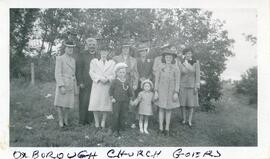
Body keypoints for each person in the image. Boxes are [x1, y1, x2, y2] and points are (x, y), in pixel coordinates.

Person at [154, 48, 180, 136]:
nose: (168, 59)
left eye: (170, 57)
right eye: (167, 57)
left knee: (169, 109)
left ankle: (167, 128)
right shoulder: (160, 67)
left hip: (171, 92)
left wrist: (176, 92)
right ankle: (161, 127)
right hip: (161, 91)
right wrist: (156, 91)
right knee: (161, 109)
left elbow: (177, 81)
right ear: (164, 58)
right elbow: (156, 80)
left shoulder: (176, 68)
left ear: (173, 58)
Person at [113, 39, 139, 128]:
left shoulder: (133, 60)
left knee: (131, 101)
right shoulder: (116, 58)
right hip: (119, 82)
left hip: (130, 82)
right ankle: (119, 122)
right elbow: (114, 71)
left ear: (129, 49)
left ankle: (131, 122)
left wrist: (135, 83)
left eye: (127, 48)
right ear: (121, 49)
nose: (125, 50)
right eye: (124, 48)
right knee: (120, 102)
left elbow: (136, 73)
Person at [88, 47, 115, 129]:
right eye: (102, 51)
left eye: (105, 51)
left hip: (107, 85)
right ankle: (96, 121)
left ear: (108, 53)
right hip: (97, 85)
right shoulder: (94, 61)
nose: (104, 53)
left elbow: (114, 74)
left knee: (105, 103)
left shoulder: (112, 63)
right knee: (95, 103)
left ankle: (103, 121)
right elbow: (91, 72)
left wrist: (108, 79)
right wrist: (100, 78)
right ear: (100, 52)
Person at [54, 41, 78, 128]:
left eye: (72, 48)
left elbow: (73, 74)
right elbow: (57, 73)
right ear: (65, 48)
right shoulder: (60, 58)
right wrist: (61, 86)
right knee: (59, 103)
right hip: (63, 83)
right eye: (69, 48)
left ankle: (66, 120)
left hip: (71, 83)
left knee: (68, 103)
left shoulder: (73, 60)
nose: (70, 49)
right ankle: (60, 120)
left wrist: (75, 86)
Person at [76, 38, 98, 125]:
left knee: (93, 101)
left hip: (96, 83)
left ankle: (90, 120)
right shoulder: (82, 55)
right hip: (85, 83)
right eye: (90, 45)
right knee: (84, 101)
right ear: (87, 46)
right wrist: (80, 81)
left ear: (96, 46)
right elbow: (78, 69)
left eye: (93, 45)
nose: (92, 47)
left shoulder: (98, 55)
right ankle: (82, 121)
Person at [109, 63, 133, 137]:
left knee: (123, 115)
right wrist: (112, 98)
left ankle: (122, 128)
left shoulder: (127, 81)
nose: (122, 74)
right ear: (116, 73)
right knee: (115, 115)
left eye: (123, 72)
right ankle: (114, 129)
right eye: (120, 72)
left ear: (125, 73)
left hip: (125, 101)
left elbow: (130, 91)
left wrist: (131, 99)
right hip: (116, 101)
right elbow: (110, 91)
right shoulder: (114, 81)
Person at [179, 48, 200, 127]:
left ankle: (189, 121)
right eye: (187, 53)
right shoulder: (181, 63)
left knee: (191, 105)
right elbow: (179, 75)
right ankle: (184, 119)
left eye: (190, 53)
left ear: (192, 54)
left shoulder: (196, 62)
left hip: (192, 86)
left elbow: (197, 75)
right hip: (183, 85)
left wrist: (196, 86)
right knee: (183, 104)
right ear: (184, 54)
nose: (189, 55)